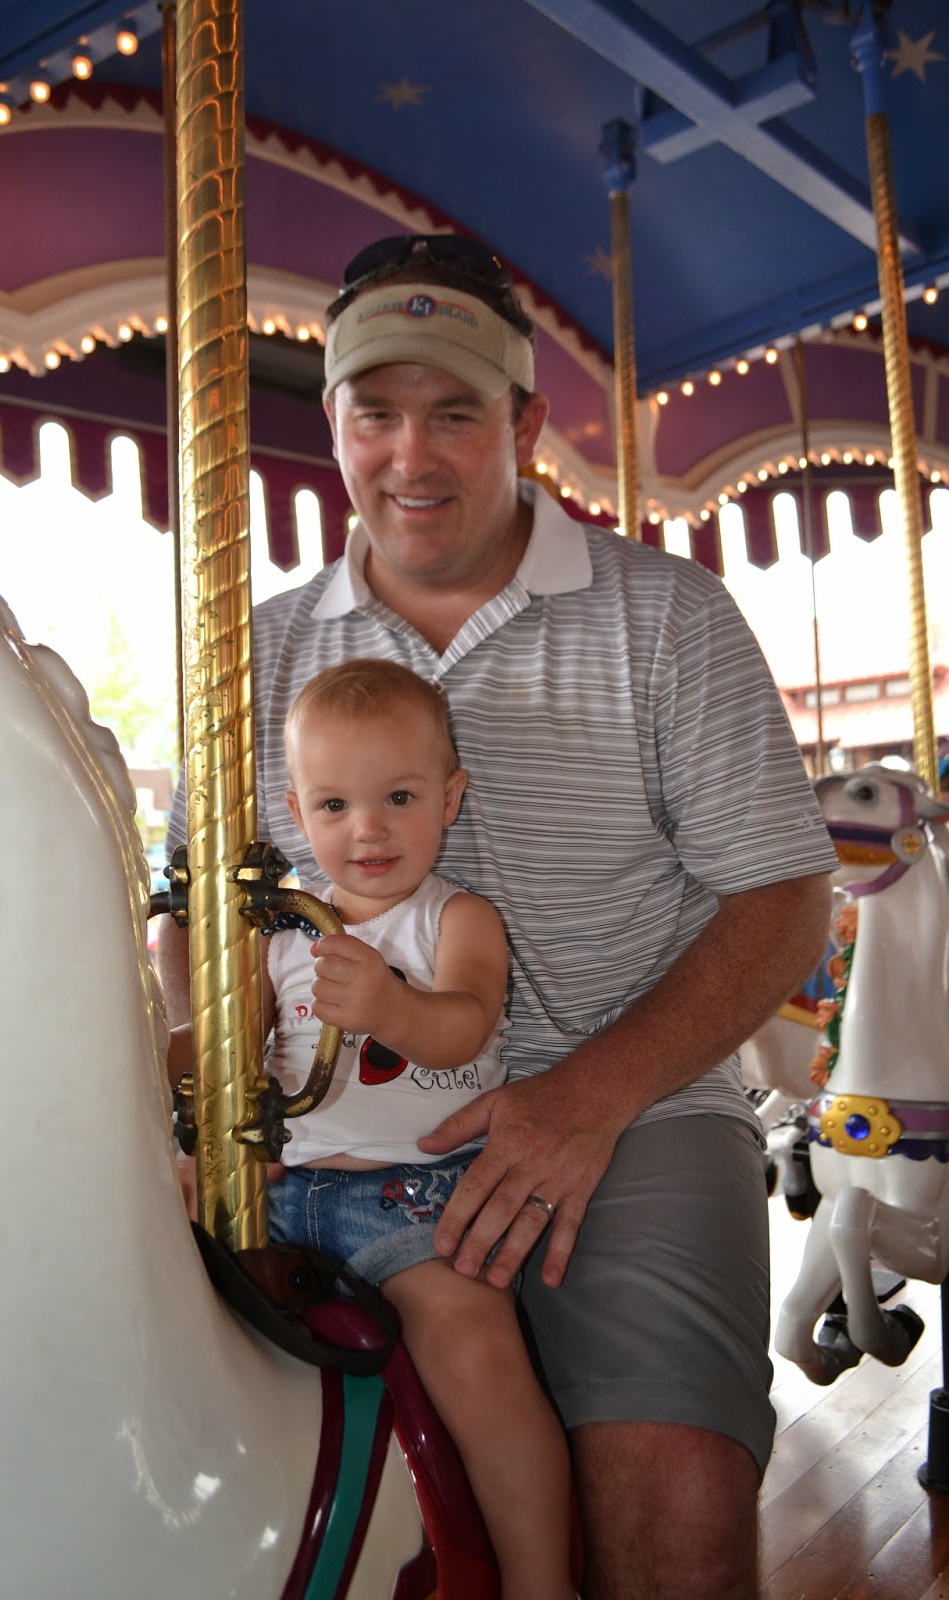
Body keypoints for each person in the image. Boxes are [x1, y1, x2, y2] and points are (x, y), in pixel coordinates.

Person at [161, 233, 838, 1599]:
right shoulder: (257, 647)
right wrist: (196, 1067)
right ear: (333, 426)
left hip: (628, 1100)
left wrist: (586, 1097)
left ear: (523, 427)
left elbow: (783, 902)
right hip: (332, 1129)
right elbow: (196, 907)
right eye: (374, 413)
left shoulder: (665, 617)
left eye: (454, 413)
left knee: (672, 1488)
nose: (409, 455)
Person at [273, 657, 574, 1598]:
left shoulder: (457, 918)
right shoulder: (278, 934)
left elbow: (465, 1023)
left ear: (450, 799)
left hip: (410, 1196)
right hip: (281, 1191)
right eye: (335, 806)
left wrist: (389, 1007)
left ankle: (539, 1580)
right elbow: (222, 1050)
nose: (367, 829)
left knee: (475, 1352)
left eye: (398, 798)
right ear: (298, 813)